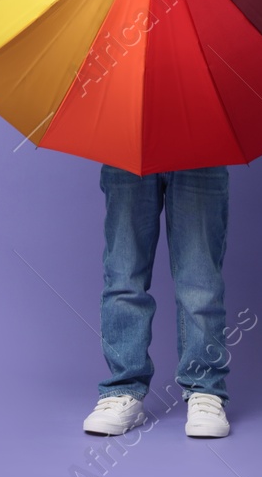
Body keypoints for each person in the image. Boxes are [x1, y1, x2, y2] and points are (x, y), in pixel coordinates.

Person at [81, 164, 232, 438]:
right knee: (123, 275)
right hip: (127, 143)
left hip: (200, 144)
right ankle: (123, 389)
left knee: (201, 281)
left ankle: (206, 389)